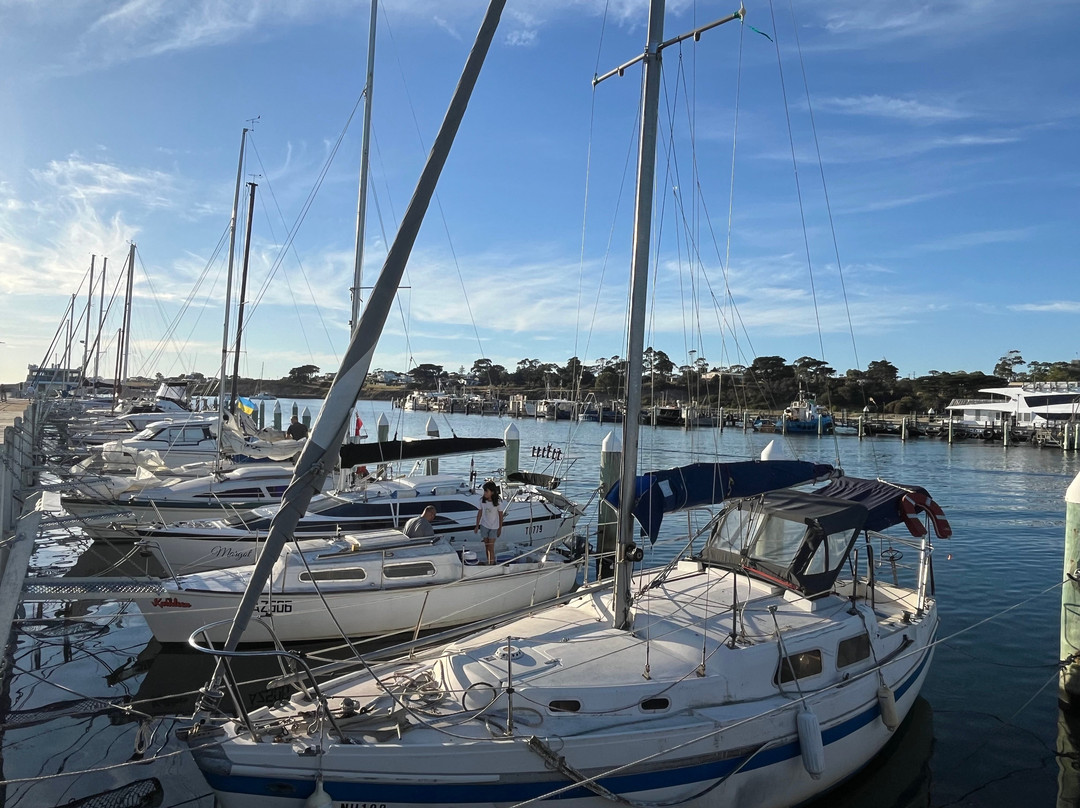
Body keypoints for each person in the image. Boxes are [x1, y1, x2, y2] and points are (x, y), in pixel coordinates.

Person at [473, 481, 503, 565]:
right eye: (484, 491)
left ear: (492, 492)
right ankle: (489, 561)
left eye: (487, 491)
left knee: (491, 546)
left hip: (494, 527)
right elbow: (479, 513)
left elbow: (501, 516)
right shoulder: (482, 501)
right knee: (486, 545)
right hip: (484, 525)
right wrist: (477, 525)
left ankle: (491, 563)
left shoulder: (498, 502)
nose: (485, 493)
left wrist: (500, 528)